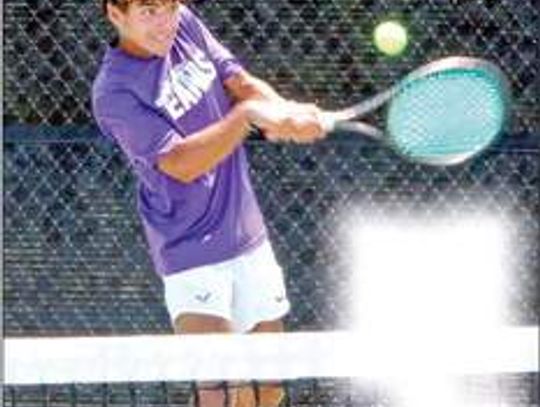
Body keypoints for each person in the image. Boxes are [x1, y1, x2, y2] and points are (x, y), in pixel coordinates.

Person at [92, 1, 325, 406]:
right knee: (218, 391)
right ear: (116, 13)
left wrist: (282, 111)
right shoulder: (114, 92)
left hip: (247, 234)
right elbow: (180, 163)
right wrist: (250, 116)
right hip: (189, 250)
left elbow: (239, 81)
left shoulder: (185, 25)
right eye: (148, 12)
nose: (164, 23)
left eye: (168, 7)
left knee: (266, 387)